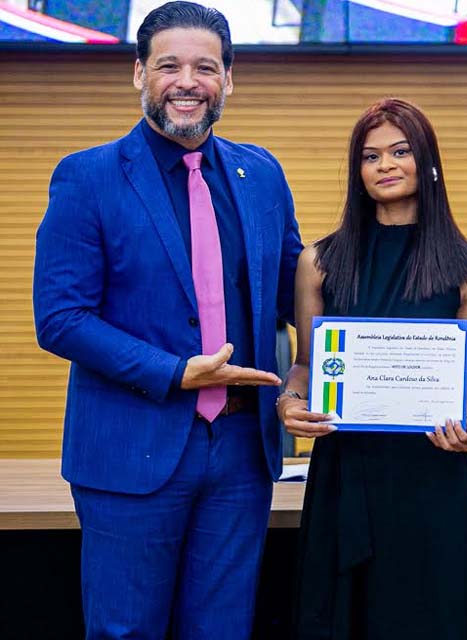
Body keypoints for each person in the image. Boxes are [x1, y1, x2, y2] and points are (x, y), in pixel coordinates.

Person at [32, 2, 303, 638]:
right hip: (131, 449)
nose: (188, 82)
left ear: (229, 79)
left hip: (241, 452)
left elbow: (301, 293)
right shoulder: (87, 177)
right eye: (169, 65)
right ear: (138, 73)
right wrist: (174, 372)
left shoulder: (260, 173)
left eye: (206, 67)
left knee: (223, 630)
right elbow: (61, 318)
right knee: (126, 631)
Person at [277, 98, 467, 639]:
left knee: (432, 619)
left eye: (401, 152)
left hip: (432, 476)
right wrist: (288, 403)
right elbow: (306, 365)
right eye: (371, 156)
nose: (386, 165)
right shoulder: (319, 261)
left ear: (428, 163)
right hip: (344, 473)